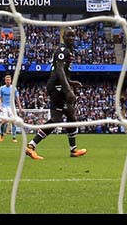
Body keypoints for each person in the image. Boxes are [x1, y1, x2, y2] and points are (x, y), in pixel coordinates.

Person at [25, 28, 87, 160]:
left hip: (61, 86)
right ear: (63, 37)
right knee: (56, 119)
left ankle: (73, 150)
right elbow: (59, 70)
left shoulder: (69, 51)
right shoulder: (62, 50)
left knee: (71, 116)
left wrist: (71, 82)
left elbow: (62, 71)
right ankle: (31, 146)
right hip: (57, 88)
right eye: (68, 36)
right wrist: (68, 90)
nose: (71, 38)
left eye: (73, 36)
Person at [0, 74, 23, 142]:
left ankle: (14, 137)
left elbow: (17, 98)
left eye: (9, 80)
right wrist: (0, 106)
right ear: (5, 81)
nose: (8, 81)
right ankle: (2, 134)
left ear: (11, 81)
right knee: (4, 121)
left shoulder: (14, 88)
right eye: (7, 80)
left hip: (12, 107)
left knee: (13, 121)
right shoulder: (2, 88)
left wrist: (20, 107)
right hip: (4, 107)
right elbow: (0, 98)